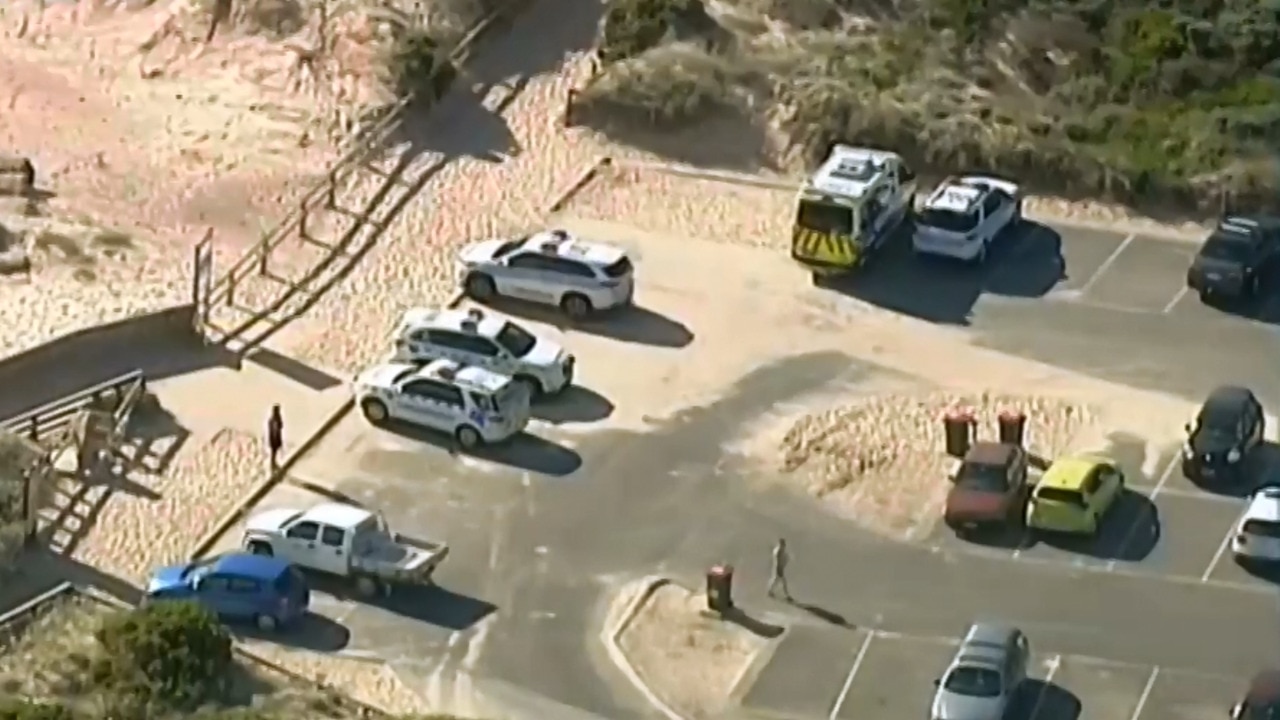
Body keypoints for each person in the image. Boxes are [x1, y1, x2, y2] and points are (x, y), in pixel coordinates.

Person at [267, 405, 283, 470]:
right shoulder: (274, 419)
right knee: (274, 451)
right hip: (274, 438)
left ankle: (273, 462)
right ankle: (273, 463)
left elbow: (280, 426)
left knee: (274, 451)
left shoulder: (274, 419)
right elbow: (276, 428)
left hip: (275, 437)